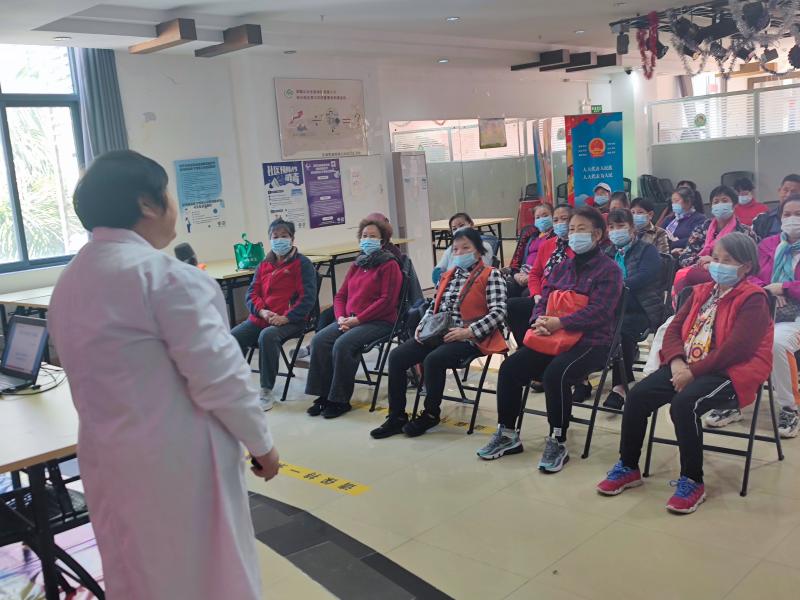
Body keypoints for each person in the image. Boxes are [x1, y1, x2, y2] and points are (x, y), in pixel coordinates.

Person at [48, 151, 279, 599]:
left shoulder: (71, 280)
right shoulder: (164, 277)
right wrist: (262, 445)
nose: (173, 205)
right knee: (205, 576)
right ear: (147, 204)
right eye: (168, 194)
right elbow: (221, 380)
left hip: (108, 460)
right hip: (179, 464)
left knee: (137, 573)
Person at [596, 233, 772, 514]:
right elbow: (673, 330)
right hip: (688, 364)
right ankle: (628, 466)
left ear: (746, 266)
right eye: (716, 258)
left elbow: (737, 349)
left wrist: (692, 372)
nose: (718, 265)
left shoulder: (753, 298)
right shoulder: (701, 292)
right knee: (637, 396)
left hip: (731, 371)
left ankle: (692, 480)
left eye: (728, 260)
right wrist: (677, 363)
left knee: (683, 405)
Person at [476, 207, 623, 472]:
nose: (574, 234)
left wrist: (561, 322)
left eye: (581, 229)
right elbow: (543, 298)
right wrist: (538, 321)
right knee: (510, 368)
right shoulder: (562, 267)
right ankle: (507, 434)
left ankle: (557, 439)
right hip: (553, 336)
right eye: (572, 229)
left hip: (591, 341)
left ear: (598, 234)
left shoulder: (609, 270)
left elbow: (600, 312)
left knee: (556, 374)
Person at [371, 227, 507, 439]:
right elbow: (434, 307)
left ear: (478, 251)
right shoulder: (448, 276)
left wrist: (468, 332)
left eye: (466, 248)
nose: (460, 253)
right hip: (438, 332)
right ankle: (396, 416)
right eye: (456, 249)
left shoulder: (491, 275)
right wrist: (422, 326)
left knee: (433, 360)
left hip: (472, 336)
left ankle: (431, 413)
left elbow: (498, 313)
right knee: (397, 356)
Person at [705, 194, 800, 438]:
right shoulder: (768, 244)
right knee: (730, 335)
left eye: (798, 214)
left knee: (777, 343)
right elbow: (750, 273)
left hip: (796, 316)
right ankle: (732, 400)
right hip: (764, 307)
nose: (792, 219)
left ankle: (790, 407)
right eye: (787, 214)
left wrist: (784, 288)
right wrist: (766, 290)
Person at [306, 218, 403, 418]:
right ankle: (324, 395)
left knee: (343, 344)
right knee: (319, 341)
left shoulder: (389, 264)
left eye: (372, 236)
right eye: (364, 236)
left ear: (382, 240)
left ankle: (339, 400)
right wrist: (341, 317)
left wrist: (358, 320)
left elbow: (386, 301)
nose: (367, 239)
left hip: (380, 321)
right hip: (350, 320)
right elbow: (340, 296)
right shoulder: (357, 264)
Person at [231, 219, 316, 410]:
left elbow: (308, 298)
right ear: (269, 239)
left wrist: (286, 317)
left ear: (292, 238)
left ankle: (266, 390)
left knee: (267, 336)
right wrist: (262, 311)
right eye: (275, 237)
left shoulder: (302, 264)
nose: (279, 240)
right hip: (262, 318)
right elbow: (252, 293)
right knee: (232, 337)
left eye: (284, 236)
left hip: (292, 320)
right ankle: (235, 385)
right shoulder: (264, 264)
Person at [602, 209, 664, 409]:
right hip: (613, 306)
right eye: (612, 227)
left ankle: (620, 385)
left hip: (641, 307)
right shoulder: (607, 252)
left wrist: (616, 287)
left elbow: (645, 276)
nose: (616, 231)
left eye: (621, 226)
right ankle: (582, 380)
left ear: (632, 228)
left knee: (622, 328)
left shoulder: (647, 250)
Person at [506, 204, 573, 346]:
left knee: (520, 303)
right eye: (556, 220)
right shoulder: (547, 245)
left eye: (564, 219)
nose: (559, 223)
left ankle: (537, 343)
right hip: (542, 296)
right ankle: (525, 344)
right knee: (512, 305)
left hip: (562, 299)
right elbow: (535, 274)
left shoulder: (577, 247)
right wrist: (536, 294)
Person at [672, 186, 759, 295]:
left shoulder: (745, 232)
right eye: (716, 202)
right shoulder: (702, 229)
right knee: (683, 277)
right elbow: (685, 256)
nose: (720, 204)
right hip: (700, 273)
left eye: (724, 201)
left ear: (734, 205)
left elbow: (750, 263)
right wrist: (704, 264)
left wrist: (714, 262)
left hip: (731, 278)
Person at [505, 203, 555, 298]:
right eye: (538, 217)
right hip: (523, 272)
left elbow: (554, 265)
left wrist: (531, 277)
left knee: (526, 294)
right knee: (508, 287)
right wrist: (515, 274)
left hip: (540, 276)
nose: (541, 219)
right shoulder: (531, 235)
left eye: (545, 216)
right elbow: (517, 258)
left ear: (553, 216)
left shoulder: (556, 236)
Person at [433, 212, 494, 284]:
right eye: (454, 229)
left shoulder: (482, 246)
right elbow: (436, 271)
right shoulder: (450, 249)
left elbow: (482, 273)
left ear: (471, 224)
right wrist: (446, 280)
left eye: (461, 226)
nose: (458, 230)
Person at [752, 174, 800, 239]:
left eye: (794, 192)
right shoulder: (763, 219)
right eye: (785, 190)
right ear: (779, 191)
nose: (788, 195)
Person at [663, 187, 706, 252]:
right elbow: (658, 235)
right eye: (672, 202)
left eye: (676, 201)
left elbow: (694, 239)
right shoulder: (670, 218)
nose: (673, 204)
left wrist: (673, 243)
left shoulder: (699, 219)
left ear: (688, 201)